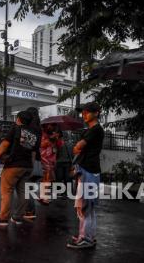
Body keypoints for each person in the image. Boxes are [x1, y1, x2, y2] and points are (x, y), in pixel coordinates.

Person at [0, 111, 40, 226]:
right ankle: (18, 217)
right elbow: (34, 152)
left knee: (6, 191)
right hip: (27, 166)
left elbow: (5, 144)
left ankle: (3, 218)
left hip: (13, 165)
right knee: (23, 192)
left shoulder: (16, 128)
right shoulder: (34, 133)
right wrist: (31, 165)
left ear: (19, 119)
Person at [67, 101, 104, 249]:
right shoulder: (89, 130)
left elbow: (78, 147)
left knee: (85, 207)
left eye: (87, 112)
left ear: (96, 113)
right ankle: (87, 235)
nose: (84, 114)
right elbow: (78, 148)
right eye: (83, 112)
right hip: (87, 170)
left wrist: (78, 147)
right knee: (86, 206)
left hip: (89, 170)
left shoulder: (95, 130)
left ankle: (86, 238)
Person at [24, 107, 42, 220]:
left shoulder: (30, 129)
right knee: (31, 187)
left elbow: (30, 148)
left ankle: (29, 211)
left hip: (32, 160)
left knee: (27, 187)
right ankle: (30, 210)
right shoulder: (39, 128)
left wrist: (30, 164)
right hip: (39, 161)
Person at [39, 123, 60, 204]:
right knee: (46, 180)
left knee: (47, 180)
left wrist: (55, 139)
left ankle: (43, 196)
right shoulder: (43, 136)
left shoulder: (52, 137)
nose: (51, 127)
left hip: (50, 161)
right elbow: (41, 144)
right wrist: (50, 139)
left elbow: (56, 147)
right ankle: (44, 197)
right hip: (45, 160)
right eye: (49, 126)